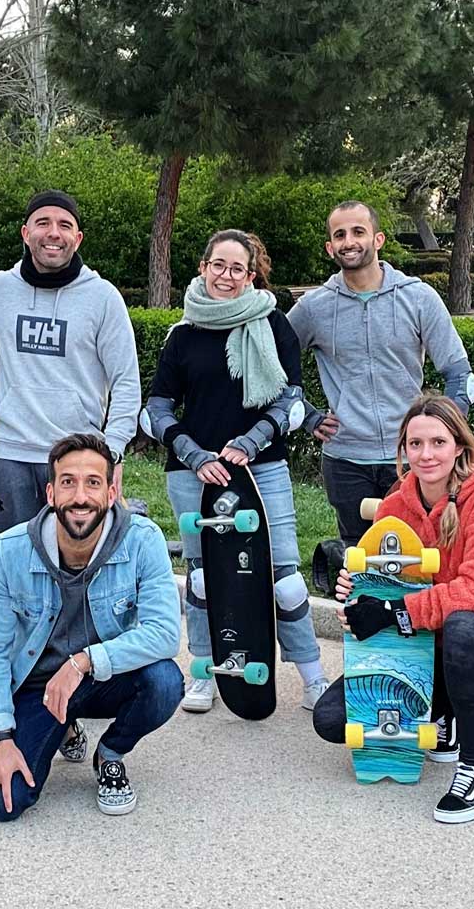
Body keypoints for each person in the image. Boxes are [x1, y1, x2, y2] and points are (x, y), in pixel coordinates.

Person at [143, 229, 329, 714]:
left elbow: (291, 398)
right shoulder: (182, 334)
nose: (227, 276)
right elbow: (158, 406)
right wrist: (193, 453)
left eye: (237, 268)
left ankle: (313, 677)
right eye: (218, 265)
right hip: (194, 472)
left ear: (252, 274)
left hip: (261, 466)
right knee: (204, 579)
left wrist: (250, 441)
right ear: (204, 267)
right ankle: (205, 672)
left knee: (285, 579)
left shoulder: (273, 324)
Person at [0, 433, 183, 820]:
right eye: (68, 482)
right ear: (50, 493)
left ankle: (110, 753)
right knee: (5, 804)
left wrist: (82, 661)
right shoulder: (7, 552)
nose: (80, 497)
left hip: (106, 675)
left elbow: (165, 633)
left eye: (93, 483)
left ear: (112, 492)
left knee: (164, 681)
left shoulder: (143, 542)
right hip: (40, 688)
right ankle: (62, 725)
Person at [314, 394, 474, 824]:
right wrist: (354, 596)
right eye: (415, 444)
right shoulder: (397, 504)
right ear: (403, 450)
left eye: (437, 442)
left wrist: (397, 611)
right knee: (331, 720)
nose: (426, 454)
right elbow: (374, 585)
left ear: (459, 446)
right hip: (426, 647)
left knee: (463, 627)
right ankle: (443, 713)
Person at [288, 200, 474, 547]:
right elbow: (272, 368)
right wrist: (308, 417)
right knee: (359, 562)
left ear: (378, 239)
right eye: (340, 235)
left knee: (422, 558)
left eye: (358, 231)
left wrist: (442, 431)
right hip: (346, 460)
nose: (350, 241)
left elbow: (461, 375)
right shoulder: (313, 308)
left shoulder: (418, 297)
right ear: (331, 247)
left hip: (409, 459)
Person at [0, 190, 140, 533]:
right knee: (18, 562)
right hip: (10, 454)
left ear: (77, 239)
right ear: (25, 232)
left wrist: (114, 450)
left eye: (65, 225)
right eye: (43, 223)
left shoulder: (103, 297)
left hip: (76, 456)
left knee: (77, 565)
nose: (53, 233)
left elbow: (126, 379)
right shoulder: (0, 288)